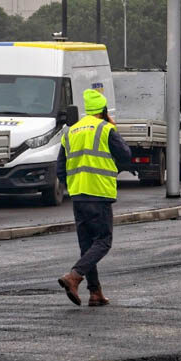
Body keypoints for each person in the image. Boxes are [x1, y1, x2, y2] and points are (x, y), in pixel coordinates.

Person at [56, 89, 131, 307]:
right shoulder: (105, 129)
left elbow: (60, 168)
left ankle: (95, 293)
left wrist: (73, 185)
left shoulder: (70, 131)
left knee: (87, 244)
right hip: (99, 194)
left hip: (78, 195)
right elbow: (125, 155)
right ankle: (74, 276)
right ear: (103, 111)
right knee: (103, 242)